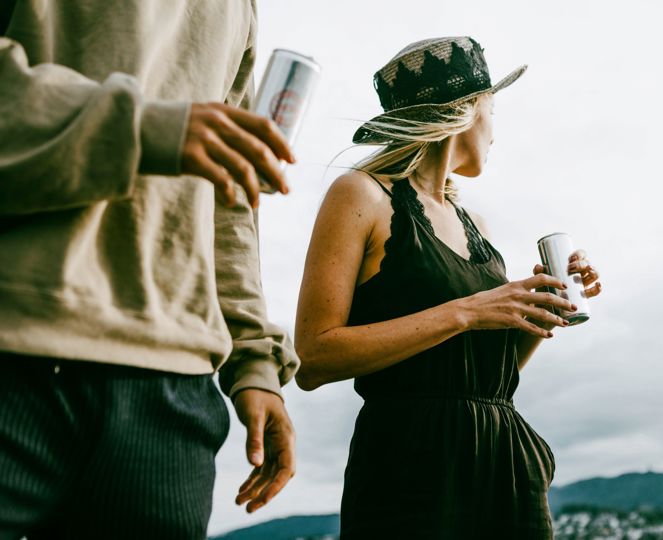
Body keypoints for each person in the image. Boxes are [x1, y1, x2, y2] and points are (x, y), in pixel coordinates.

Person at [0, 1, 299, 538]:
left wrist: (256, 361)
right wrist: (143, 127)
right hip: (17, 344)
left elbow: (230, 202)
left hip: (173, 392)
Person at [295, 37, 603, 539]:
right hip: (412, 469)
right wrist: (468, 310)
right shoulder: (361, 194)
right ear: (465, 110)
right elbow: (312, 357)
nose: (496, 133)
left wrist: (534, 308)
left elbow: (479, 375)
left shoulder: (474, 222)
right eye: (493, 110)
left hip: (505, 467)